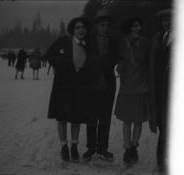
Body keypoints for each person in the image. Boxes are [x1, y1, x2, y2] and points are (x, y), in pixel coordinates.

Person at [45, 17, 91, 162]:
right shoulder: (63, 41)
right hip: (63, 87)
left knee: (76, 119)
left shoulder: (89, 45)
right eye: (77, 27)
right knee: (62, 118)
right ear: (73, 29)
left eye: (83, 27)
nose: (81, 30)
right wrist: (57, 68)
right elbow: (49, 55)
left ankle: (74, 147)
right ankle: (64, 146)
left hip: (80, 87)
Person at [83, 9, 119, 162]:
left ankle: (103, 149)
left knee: (105, 119)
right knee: (91, 118)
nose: (104, 28)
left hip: (108, 85)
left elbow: (118, 59)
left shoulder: (115, 41)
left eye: (107, 25)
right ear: (97, 26)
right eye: (102, 25)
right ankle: (91, 149)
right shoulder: (88, 40)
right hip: (91, 85)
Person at [115, 17, 151, 164]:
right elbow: (118, 59)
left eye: (139, 26)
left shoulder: (146, 43)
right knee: (126, 121)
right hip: (126, 87)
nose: (138, 29)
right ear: (129, 27)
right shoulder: (122, 43)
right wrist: (120, 65)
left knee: (138, 121)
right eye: (135, 26)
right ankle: (127, 148)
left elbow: (150, 63)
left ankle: (134, 147)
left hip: (141, 86)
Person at [149, 9, 173, 174]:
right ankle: (161, 160)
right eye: (164, 21)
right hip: (159, 88)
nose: (167, 23)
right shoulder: (158, 37)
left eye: (170, 20)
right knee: (163, 124)